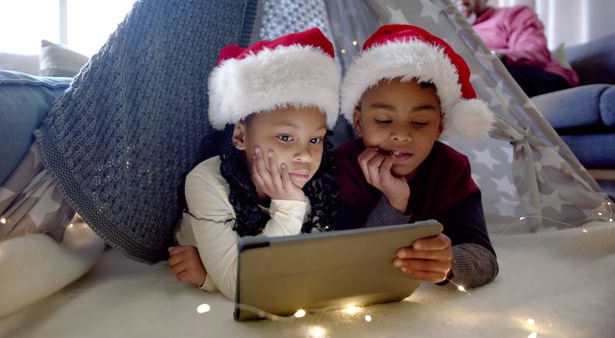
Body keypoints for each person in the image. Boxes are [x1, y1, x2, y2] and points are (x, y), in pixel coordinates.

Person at [167, 28, 341, 300]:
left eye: (315, 140)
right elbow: (244, 286)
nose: (305, 156)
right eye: (285, 137)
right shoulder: (206, 183)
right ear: (240, 135)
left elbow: (306, 265)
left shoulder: (310, 184)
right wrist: (289, 209)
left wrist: (210, 277)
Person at [336, 24, 498, 288]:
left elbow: (485, 260)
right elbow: (352, 265)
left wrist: (450, 262)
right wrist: (395, 202)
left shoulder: (451, 169)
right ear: (359, 122)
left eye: (420, 122)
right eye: (383, 120)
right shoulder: (341, 168)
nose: (401, 134)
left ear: (440, 127)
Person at [454, 0, 578, 97]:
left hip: (540, 76)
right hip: (486, 79)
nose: (463, 1)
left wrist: (499, 56)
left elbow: (536, 51)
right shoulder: (456, 32)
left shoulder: (515, 14)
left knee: (482, 75)